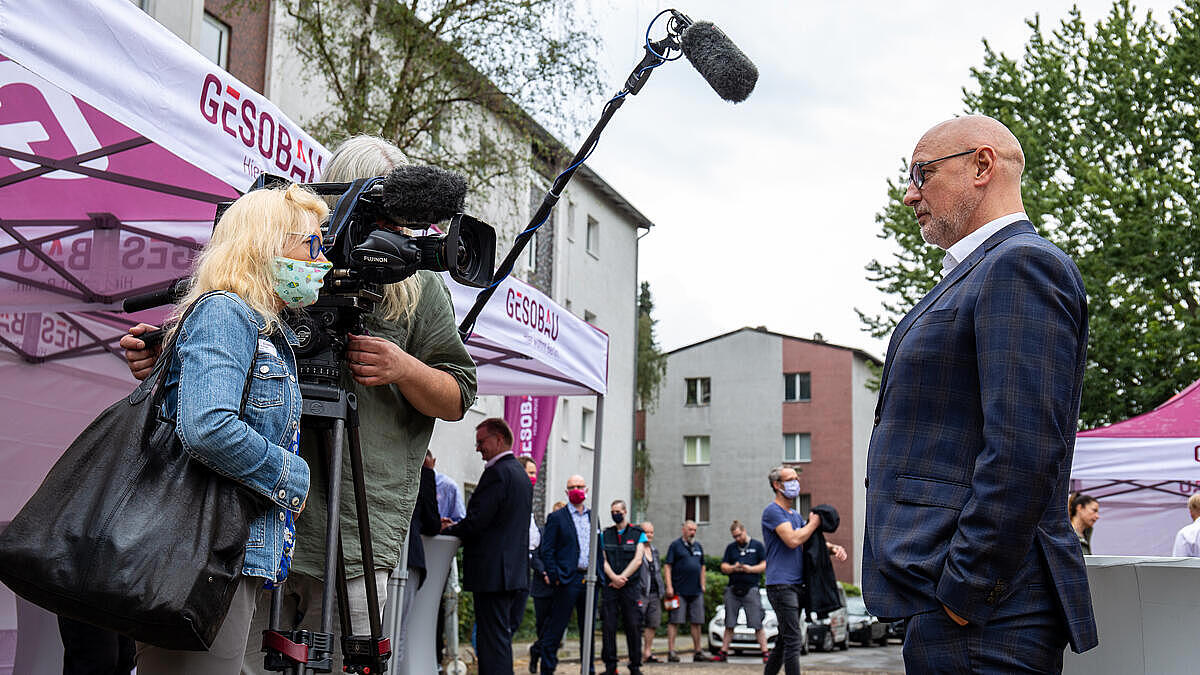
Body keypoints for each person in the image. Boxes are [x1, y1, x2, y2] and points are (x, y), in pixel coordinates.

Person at [120, 135, 478, 674]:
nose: (392, 234)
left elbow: (458, 396)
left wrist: (404, 368)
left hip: (361, 523)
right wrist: (174, 356)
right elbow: (228, 359)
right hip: (258, 515)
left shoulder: (418, 286)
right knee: (239, 662)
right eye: (376, 214)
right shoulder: (291, 263)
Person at [862, 115, 1098, 672]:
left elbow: (1023, 449)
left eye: (921, 174)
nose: (908, 194)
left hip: (988, 613)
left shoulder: (1021, 265)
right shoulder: (982, 271)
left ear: (981, 166)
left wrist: (966, 590)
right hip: (963, 609)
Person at [133, 184, 325, 672]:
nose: (321, 259)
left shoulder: (255, 325)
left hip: (220, 554)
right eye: (311, 244)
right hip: (200, 558)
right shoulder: (226, 312)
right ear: (265, 245)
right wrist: (291, 476)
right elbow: (208, 427)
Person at [443, 419, 532, 675]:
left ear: (499, 439)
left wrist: (449, 529)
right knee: (499, 639)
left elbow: (478, 521)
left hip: (493, 572)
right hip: (511, 571)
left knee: (491, 642)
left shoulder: (497, 473)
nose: (477, 448)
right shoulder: (520, 475)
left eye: (481, 442)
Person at [761, 467, 822, 675]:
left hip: (795, 584)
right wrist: (813, 524)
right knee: (794, 639)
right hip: (780, 584)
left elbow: (806, 542)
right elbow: (793, 539)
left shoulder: (794, 516)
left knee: (784, 639)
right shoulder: (772, 512)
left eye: (797, 479)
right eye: (790, 479)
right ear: (777, 485)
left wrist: (832, 549)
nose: (796, 483)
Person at [536, 475, 598, 675]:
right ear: (566, 491)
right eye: (572, 487)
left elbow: (599, 547)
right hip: (567, 580)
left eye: (580, 486)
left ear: (586, 489)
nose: (576, 490)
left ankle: (588, 669)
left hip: (589, 580)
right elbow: (547, 550)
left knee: (587, 629)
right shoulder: (557, 517)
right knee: (555, 629)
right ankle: (547, 669)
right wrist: (555, 576)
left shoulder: (592, 516)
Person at [599, 500, 647, 675]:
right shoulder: (606, 534)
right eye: (613, 511)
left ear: (625, 512)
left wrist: (622, 578)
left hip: (630, 587)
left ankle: (635, 666)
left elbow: (638, 559)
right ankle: (610, 667)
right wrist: (613, 577)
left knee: (633, 626)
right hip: (611, 586)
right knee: (608, 627)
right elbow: (602, 559)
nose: (615, 514)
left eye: (618, 511)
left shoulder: (638, 533)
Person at [714, 520, 767, 663]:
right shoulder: (731, 548)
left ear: (744, 531)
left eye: (739, 535)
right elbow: (723, 566)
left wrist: (750, 569)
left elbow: (764, 565)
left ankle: (765, 652)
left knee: (757, 622)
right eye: (735, 537)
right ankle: (724, 651)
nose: (737, 539)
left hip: (751, 588)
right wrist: (733, 568)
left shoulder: (757, 546)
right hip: (733, 589)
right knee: (729, 622)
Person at [663, 520, 712, 663]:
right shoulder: (675, 546)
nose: (693, 532)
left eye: (694, 530)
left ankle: (698, 651)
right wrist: (669, 586)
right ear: (683, 529)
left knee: (697, 621)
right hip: (678, 591)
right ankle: (671, 651)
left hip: (696, 591)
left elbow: (702, 566)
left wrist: (703, 583)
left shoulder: (698, 546)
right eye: (690, 529)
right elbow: (668, 566)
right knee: (675, 621)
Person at [638, 521, 664, 665]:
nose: (649, 535)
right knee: (637, 622)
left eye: (651, 532)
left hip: (655, 592)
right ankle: (636, 652)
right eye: (646, 532)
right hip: (642, 592)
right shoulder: (637, 549)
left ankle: (647, 652)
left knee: (652, 623)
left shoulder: (654, 550)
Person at [429, 449, 467, 525]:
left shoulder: (449, 487)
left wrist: (448, 525)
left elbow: (461, 521)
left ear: (433, 462)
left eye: (426, 469)